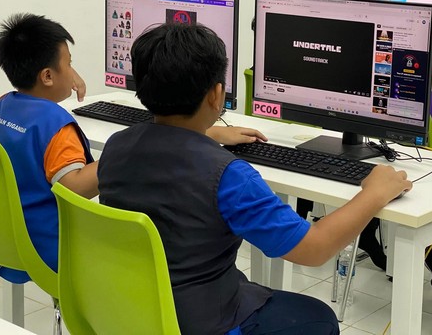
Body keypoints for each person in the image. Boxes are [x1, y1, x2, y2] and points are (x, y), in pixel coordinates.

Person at [97, 23, 411, 335]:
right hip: (199, 322)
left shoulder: (117, 146)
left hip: (128, 308)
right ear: (216, 94)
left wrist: (207, 134)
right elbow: (313, 249)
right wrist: (374, 193)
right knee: (319, 318)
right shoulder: (228, 175)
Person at [0, 13, 264, 284]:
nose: (73, 70)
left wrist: (203, 132)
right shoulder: (56, 125)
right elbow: (73, 188)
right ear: (47, 76)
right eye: (69, 63)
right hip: (48, 247)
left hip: (1, 237)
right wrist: (128, 151)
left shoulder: (3, 104)